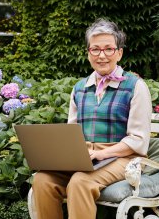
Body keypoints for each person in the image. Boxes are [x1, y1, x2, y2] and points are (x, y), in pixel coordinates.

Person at [31, 18, 152, 219]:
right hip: (85, 157)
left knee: (80, 181)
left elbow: (138, 140)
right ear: (88, 53)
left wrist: (102, 154)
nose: (101, 55)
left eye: (108, 49)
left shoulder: (136, 86)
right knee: (43, 180)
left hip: (124, 158)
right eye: (95, 49)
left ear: (119, 53)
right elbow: (71, 133)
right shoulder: (79, 88)